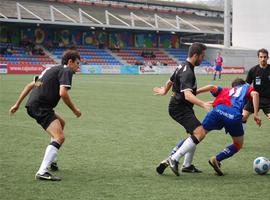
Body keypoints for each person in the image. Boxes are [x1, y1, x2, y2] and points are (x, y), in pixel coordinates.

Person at [9, 49, 82, 181]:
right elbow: (63, 93)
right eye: (77, 63)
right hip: (41, 107)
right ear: (70, 62)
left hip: (36, 105)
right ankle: (42, 172)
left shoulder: (52, 70)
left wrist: (17, 104)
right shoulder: (66, 70)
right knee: (59, 137)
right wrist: (75, 110)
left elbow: (31, 85)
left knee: (61, 123)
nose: (78, 66)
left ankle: (52, 161)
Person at [167, 78, 261, 176]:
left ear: (233, 86)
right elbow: (256, 94)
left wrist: (196, 92)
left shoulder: (227, 90)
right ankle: (217, 159)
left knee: (197, 134)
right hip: (233, 115)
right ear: (243, 84)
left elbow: (211, 87)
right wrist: (256, 114)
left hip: (217, 111)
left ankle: (174, 156)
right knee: (238, 144)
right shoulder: (246, 87)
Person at [153, 42, 212, 175]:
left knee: (194, 135)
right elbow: (188, 95)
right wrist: (203, 104)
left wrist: (164, 91)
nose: (203, 59)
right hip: (179, 107)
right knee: (200, 133)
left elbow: (170, 81)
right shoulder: (188, 72)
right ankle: (174, 159)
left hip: (181, 106)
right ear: (195, 55)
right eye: (202, 56)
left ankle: (187, 165)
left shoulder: (182, 65)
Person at [243, 48, 270, 123]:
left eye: (265, 57)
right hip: (255, 98)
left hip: (268, 100)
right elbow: (246, 85)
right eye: (261, 57)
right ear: (258, 57)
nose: (263, 59)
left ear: (268, 57)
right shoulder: (253, 70)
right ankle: (239, 134)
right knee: (243, 117)